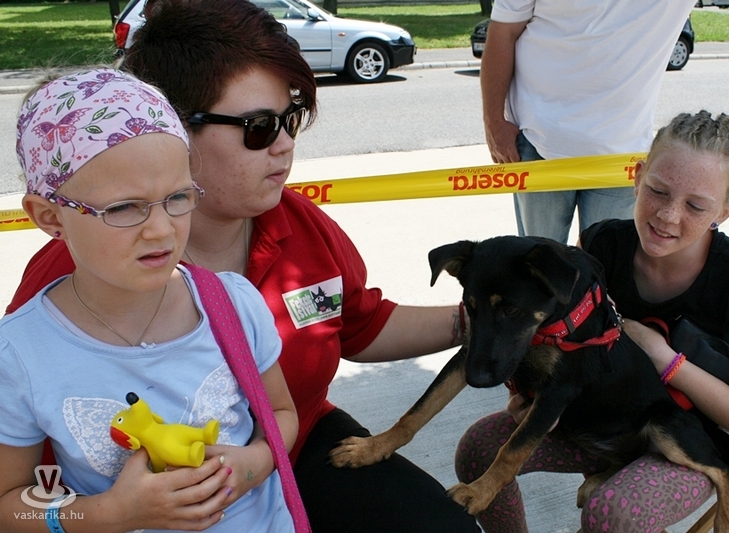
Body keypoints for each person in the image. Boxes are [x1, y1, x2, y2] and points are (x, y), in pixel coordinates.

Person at [4, 0, 479, 531]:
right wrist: (108, 512)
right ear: (173, 128)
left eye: (290, 119)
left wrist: (483, 319)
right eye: (259, 126)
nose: (286, 144)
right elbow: (23, 490)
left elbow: (358, 323)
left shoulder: (298, 223)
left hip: (291, 452)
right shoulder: (59, 294)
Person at [454, 111, 729, 532]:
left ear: (726, 210)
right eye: (658, 191)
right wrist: (527, 392)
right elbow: (558, 340)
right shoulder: (601, 245)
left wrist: (666, 360)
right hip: (610, 412)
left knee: (614, 512)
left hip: (702, 432)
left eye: (695, 206)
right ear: (637, 177)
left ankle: (697, 488)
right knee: (479, 449)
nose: (668, 215)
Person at [0, 69, 298, 532]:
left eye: (178, 197)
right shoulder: (21, 354)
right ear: (49, 217)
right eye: (123, 207)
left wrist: (253, 464)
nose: (161, 230)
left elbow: (281, 413)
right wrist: (113, 513)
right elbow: (9, 505)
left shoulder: (232, 305)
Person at [481, 0, 697, 244]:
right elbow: (503, 31)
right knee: (539, 260)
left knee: (606, 260)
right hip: (539, 141)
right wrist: (493, 121)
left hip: (620, 154)